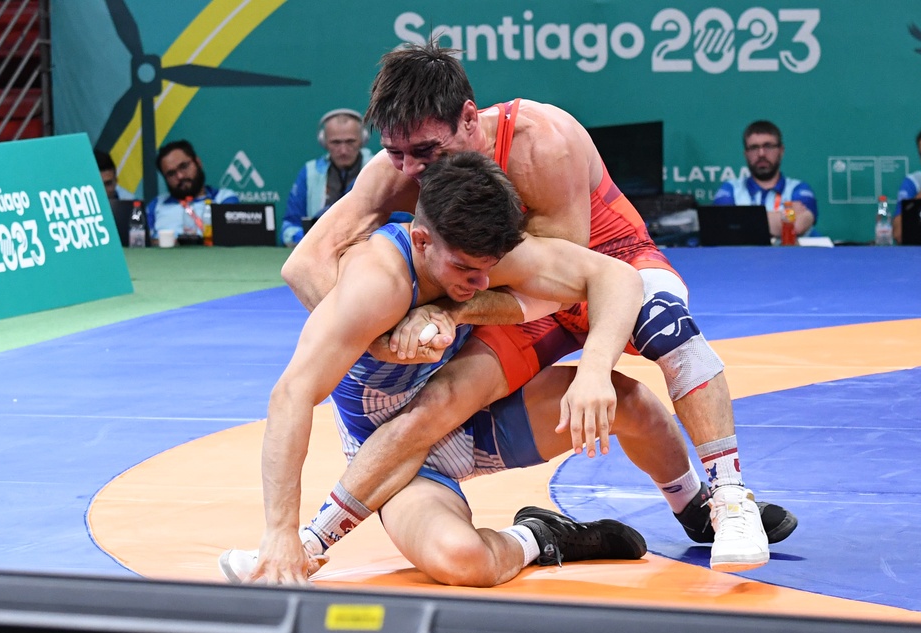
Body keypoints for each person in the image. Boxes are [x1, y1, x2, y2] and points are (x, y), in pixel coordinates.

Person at [277, 41, 798, 578]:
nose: (411, 170)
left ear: (468, 120)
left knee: (669, 329)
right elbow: (306, 263)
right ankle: (311, 540)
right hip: (506, 290)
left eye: (427, 152)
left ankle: (726, 499)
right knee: (441, 399)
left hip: (597, 265)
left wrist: (461, 320)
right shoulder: (401, 167)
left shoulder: (540, 140)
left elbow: (565, 288)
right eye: (396, 153)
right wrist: (378, 335)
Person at [221, 152, 656, 587]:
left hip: (465, 418)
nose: (480, 284)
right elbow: (291, 393)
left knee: (632, 403)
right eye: (465, 269)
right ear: (422, 240)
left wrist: (595, 370)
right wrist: (279, 532)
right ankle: (538, 536)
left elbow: (619, 278)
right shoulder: (377, 283)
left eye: (488, 270)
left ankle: (704, 507)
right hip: (386, 451)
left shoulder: (479, 249)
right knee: (465, 561)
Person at [279, 109, 375, 246]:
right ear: (323, 142)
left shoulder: (378, 169)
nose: (343, 150)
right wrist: (310, 238)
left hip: (367, 251)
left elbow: (398, 224)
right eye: (335, 143)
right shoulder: (309, 172)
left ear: (363, 139)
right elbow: (288, 227)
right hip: (317, 253)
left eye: (350, 142)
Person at [712, 120, 818, 239]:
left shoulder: (799, 189)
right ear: (745, 154)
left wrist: (740, 221)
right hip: (742, 257)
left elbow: (797, 226)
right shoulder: (729, 189)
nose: (761, 153)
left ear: (781, 151)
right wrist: (785, 217)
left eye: (768, 146)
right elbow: (724, 224)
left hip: (789, 257)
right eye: (754, 147)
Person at [146, 139, 239, 239]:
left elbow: (229, 237)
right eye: (171, 174)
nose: (180, 176)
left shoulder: (224, 198)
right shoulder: (156, 205)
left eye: (184, 166)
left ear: (198, 162)